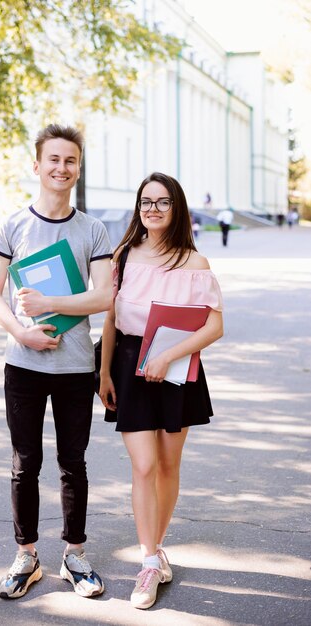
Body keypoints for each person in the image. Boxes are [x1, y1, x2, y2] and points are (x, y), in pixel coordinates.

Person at [0, 124, 113, 600]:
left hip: (76, 366)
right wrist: (22, 332)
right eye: (53, 160)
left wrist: (48, 302)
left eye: (71, 161)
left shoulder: (93, 230)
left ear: (78, 168)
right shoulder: (12, 225)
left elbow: (103, 296)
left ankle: (75, 554)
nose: (62, 168)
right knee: (25, 463)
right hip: (22, 365)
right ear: (36, 165)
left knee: (72, 463)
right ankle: (26, 556)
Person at [99, 172, 223, 610]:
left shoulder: (195, 263)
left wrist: (170, 356)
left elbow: (214, 325)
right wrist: (103, 373)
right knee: (145, 465)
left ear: (177, 208)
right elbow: (111, 319)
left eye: (162, 202)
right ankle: (148, 560)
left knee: (169, 464)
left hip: (177, 366)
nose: (152, 209)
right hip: (129, 366)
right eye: (145, 201)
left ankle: (158, 547)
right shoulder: (123, 257)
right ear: (138, 208)